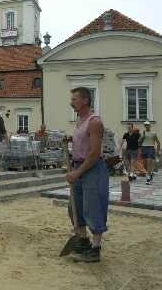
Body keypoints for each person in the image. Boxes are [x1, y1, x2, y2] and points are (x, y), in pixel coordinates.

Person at [65, 87, 109, 263]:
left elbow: (94, 153)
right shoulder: (80, 121)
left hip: (91, 169)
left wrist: (78, 173)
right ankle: (83, 241)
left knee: (93, 207)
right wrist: (71, 139)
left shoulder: (94, 121)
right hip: (79, 167)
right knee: (74, 207)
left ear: (85, 100)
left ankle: (95, 249)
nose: (71, 102)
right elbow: (84, 142)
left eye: (74, 99)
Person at [139, 121, 161, 185]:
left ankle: (148, 178)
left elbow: (158, 143)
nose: (146, 126)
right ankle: (150, 174)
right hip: (144, 148)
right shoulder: (143, 133)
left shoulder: (153, 133)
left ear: (150, 126)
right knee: (146, 164)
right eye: (145, 125)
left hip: (151, 148)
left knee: (149, 161)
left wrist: (158, 151)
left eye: (148, 125)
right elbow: (139, 142)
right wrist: (142, 137)